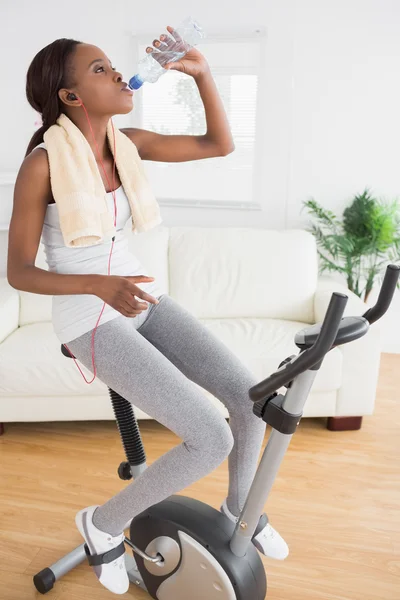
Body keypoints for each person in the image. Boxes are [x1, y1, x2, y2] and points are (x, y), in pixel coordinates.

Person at [8, 36, 288, 595]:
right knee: (211, 437)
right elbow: (18, 272)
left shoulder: (126, 144)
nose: (117, 75)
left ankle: (240, 512)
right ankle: (103, 523)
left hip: (139, 298)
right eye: (99, 69)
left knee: (251, 397)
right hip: (89, 317)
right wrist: (97, 284)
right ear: (70, 95)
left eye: (114, 65)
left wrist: (203, 74)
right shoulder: (42, 165)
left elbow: (219, 143)